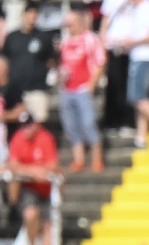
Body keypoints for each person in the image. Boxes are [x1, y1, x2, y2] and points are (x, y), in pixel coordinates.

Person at [102, 0, 149, 150]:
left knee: (137, 97)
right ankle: (141, 138)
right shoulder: (139, 10)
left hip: (146, 58)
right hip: (140, 57)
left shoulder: (148, 9)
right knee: (141, 97)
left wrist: (132, 42)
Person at [58, 6, 106, 173]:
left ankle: (97, 158)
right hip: (67, 88)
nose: (68, 27)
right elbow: (63, 63)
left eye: (70, 24)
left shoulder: (91, 39)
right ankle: (78, 159)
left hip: (83, 88)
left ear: (79, 23)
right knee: (71, 125)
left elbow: (100, 62)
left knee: (88, 123)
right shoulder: (65, 41)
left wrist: (92, 84)